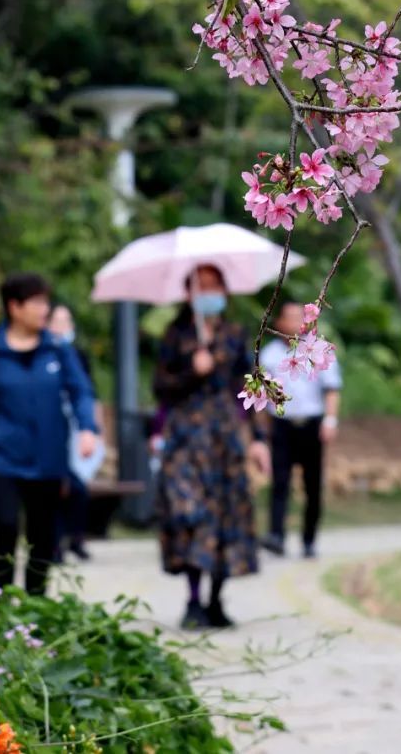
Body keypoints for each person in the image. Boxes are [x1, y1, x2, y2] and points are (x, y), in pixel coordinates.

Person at [0, 272, 98, 596]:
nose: (44, 309)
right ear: (14, 307)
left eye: (46, 302)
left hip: (48, 458)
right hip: (2, 457)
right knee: (5, 524)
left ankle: (36, 608)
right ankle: (1, 603)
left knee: (43, 534)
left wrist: (88, 428)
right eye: (37, 302)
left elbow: (81, 392)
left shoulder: (58, 350)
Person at [154, 264, 268, 630]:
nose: (209, 293)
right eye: (201, 286)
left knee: (226, 516)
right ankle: (192, 600)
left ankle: (217, 599)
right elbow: (160, 388)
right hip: (186, 436)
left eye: (215, 285)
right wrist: (191, 371)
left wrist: (259, 441)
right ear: (188, 293)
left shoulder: (236, 335)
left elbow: (250, 389)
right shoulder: (175, 335)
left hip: (226, 439)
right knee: (190, 513)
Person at [257, 300, 342, 559]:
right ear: (279, 323)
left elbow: (332, 389)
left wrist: (330, 421)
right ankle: (276, 536)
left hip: (311, 426)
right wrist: (262, 433)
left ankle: (309, 539)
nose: (295, 323)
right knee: (280, 482)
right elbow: (261, 395)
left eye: (299, 317)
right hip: (282, 427)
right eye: (289, 317)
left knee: (312, 485)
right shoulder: (269, 354)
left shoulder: (317, 350)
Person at [47, 302, 103, 563]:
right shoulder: (42, 353)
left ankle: (76, 538)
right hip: (50, 431)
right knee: (57, 487)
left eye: (66, 321)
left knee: (78, 487)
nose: (62, 327)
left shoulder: (77, 356)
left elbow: (87, 394)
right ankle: (54, 544)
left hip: (75, 430)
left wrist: (90, 428)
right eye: (57, 321)